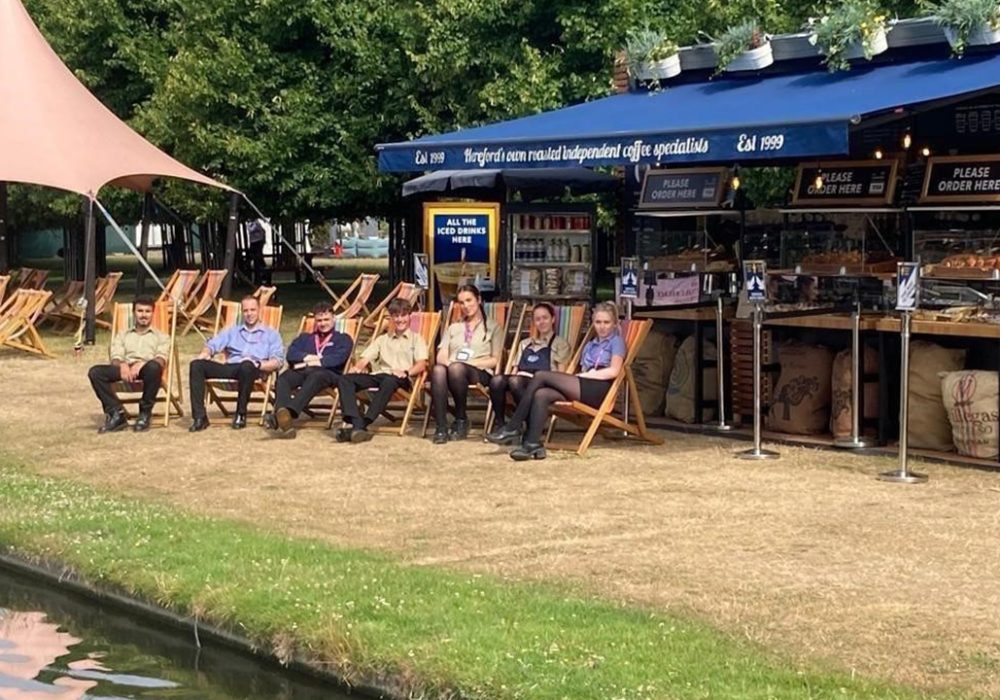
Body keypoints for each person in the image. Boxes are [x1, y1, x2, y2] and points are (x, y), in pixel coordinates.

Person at [486, 301, 626, 461]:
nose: (602, 327)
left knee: (541, 376)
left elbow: (614, 371)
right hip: (584, 383)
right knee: (542, 394)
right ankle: (531, 443)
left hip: (599, 389)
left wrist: (585, 376)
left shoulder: (616, 342)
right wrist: (582, 376)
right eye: (598, 322)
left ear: (614, 323)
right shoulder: (591, 344)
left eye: (606, 322)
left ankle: (513, 426)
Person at [334, 298, 428, 443]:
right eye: (396, 316)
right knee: (345, 379)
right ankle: (356, 422)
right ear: (391, 318)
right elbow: (365, 358)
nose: (400, 319)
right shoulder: (382, 339)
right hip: (380, 375)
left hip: (401, 378)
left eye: (403, 315)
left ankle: (363, 423)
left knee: (389, 380)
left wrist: (407, 372)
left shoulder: (417, 339)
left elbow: (422, 364)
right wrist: (358, 367)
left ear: (409, 316)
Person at [188, 295, 284, 431]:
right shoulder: (232, 331)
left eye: (252, 310)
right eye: (246, 311)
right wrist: (206, 352)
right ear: (242, 312)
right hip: (232, 368)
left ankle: (240, 414)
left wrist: (258, 364)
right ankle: (200, 417)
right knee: (196, 365)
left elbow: (278, 361)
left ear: (259, 310)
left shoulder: (271, 334)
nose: (249, 314)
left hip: (254, 369)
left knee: (247, 366)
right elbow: (213, 343)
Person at [264, 302, 353, 437]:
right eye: (319, 320)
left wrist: (316, 361)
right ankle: (283, 417)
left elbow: (338, 359)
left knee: (317, 376)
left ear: (334, 319)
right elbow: (291, 354)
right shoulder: (306, 338)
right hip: (304, 371)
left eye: (326, 320)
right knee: (284, 378)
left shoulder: (343, 338)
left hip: (329, 374)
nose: (323, 324)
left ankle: (287, 414)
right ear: (315, 321)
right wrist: (308, 357)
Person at [429, 284, 502, 444]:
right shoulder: (454, 327)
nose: (466, 306)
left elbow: (495, 359)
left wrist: (468, 362)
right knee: (438, 370)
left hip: (479, 371)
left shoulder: (492, 327)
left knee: (457, 368)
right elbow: (441, 355)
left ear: (479, 300)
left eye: (469, 300)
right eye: (461, 302)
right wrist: (449, 362)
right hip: (453, 369)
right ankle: (441, 427)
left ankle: (461, 418)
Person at [487, 302, 572, 439]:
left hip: (543, 382)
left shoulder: (560, 344)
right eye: (537, 319)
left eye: (545, 318)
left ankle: (527, 425)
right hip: (520, 379)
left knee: (515, 381)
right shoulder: (525, 343)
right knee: (496, 380)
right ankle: (501, 425)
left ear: (553, 319)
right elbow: (515, 368)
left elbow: (561, 374)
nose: (541, 322)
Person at [87, 296, 169, 433]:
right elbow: (115, 356)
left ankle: (144, 413)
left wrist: (143, 364)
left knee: (154, 367)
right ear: (134, 313)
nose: (143, 315)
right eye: (140, 311)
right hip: (124, 369)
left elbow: (161, 359)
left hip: (147, 371)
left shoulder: (161, 337)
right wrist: (122, 365)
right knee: (95, 372)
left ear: (152, 314)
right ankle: (116, 412)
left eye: (147, 311)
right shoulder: (123, 334)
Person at [247, 219, 268, 285]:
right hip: (253, 242)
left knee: (258, 258)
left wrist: (263, 239)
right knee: (254, 257)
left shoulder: (256, 223)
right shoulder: (251, 223)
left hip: (258, 241)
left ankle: (263, 274)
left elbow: (251, 229)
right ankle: (257, 274)